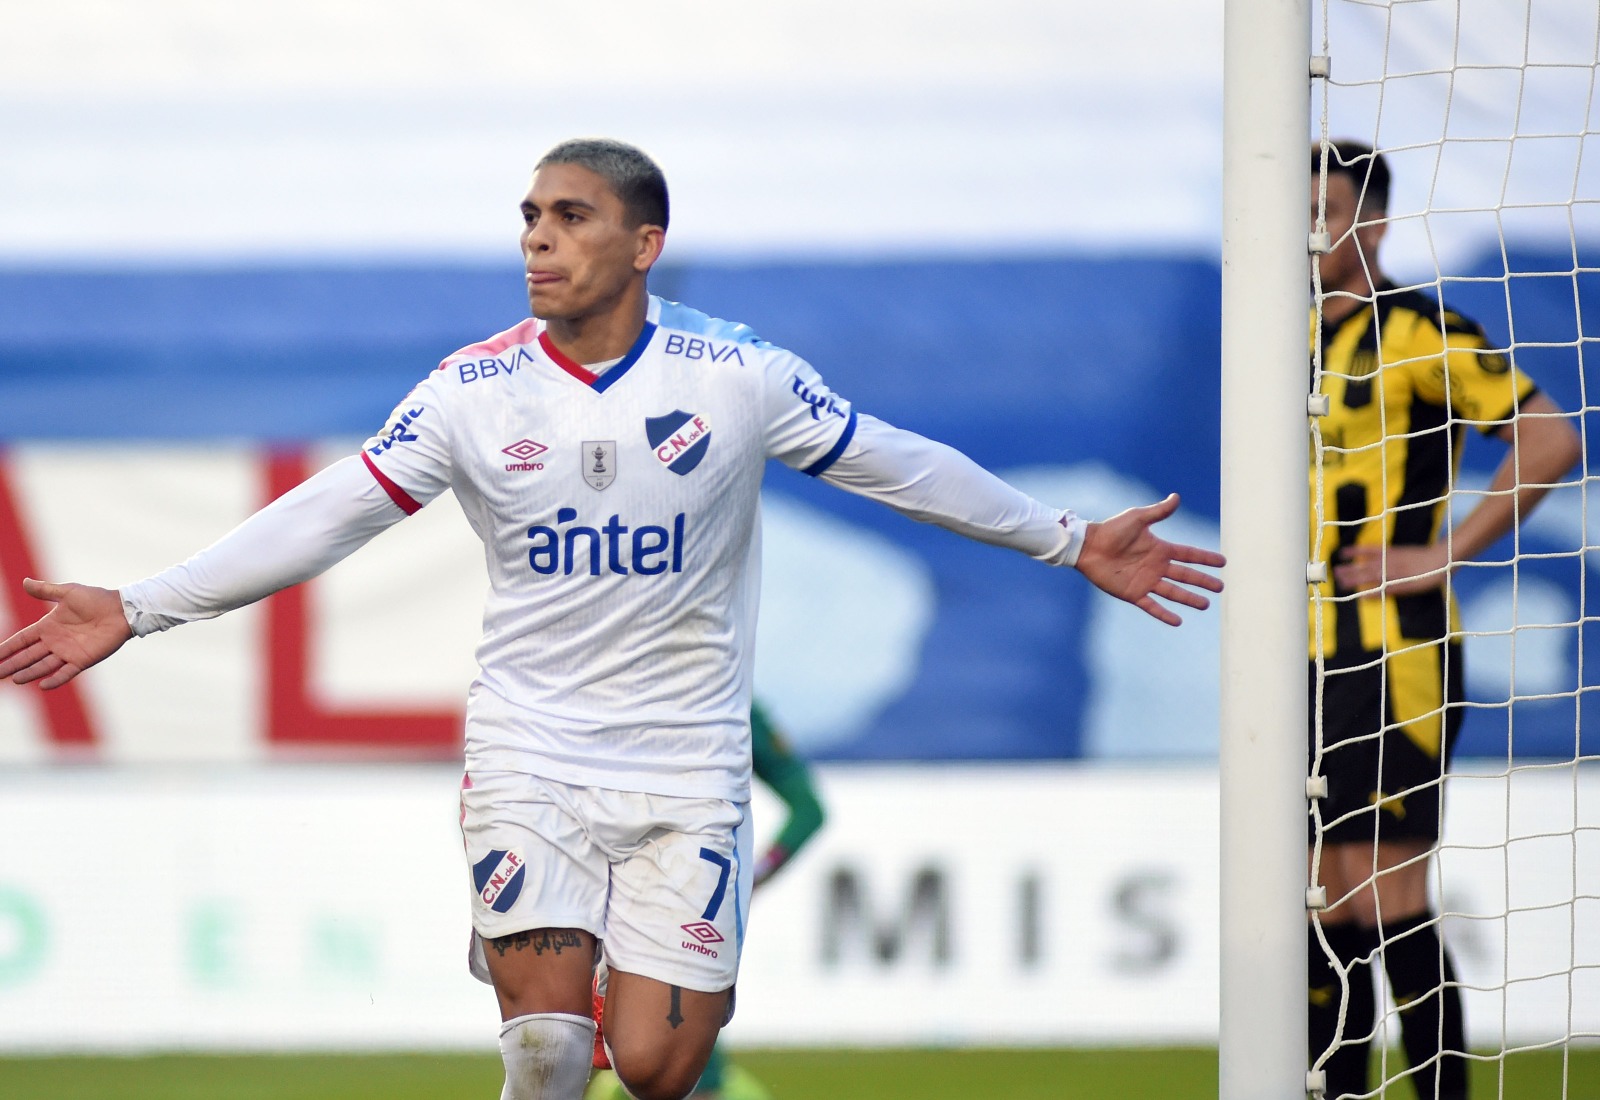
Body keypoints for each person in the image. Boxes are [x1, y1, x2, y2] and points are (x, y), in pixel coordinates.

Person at [0, 138, 1224, 1100]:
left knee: (652, 1065)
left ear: (645, 243)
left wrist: (1064, 538)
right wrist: (144, 606)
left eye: (568, 217)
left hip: (690, 764)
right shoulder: (472, 389)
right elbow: (330, 511)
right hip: (531, 749)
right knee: (543, 1053)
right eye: (529, 218)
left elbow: (896, 462)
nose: (537, 240)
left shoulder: (737, 377)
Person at [1306, 140, 1582, 1100]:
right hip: (1296, 659)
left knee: (1388, 902)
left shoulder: (1419, 331)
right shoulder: (1280, 342)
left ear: (1371, 223)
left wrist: (1447, 551)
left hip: (1394, 654)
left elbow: (1551, 436)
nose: (1307, 226)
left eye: (1324, 206)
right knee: (1319, 908)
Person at [586, 700, 824, 1100]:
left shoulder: (727, 696)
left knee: (677, 1064)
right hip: (596, 879)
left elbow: (808, 809)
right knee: (566, 1048)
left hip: (679, 885)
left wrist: (755, 875)